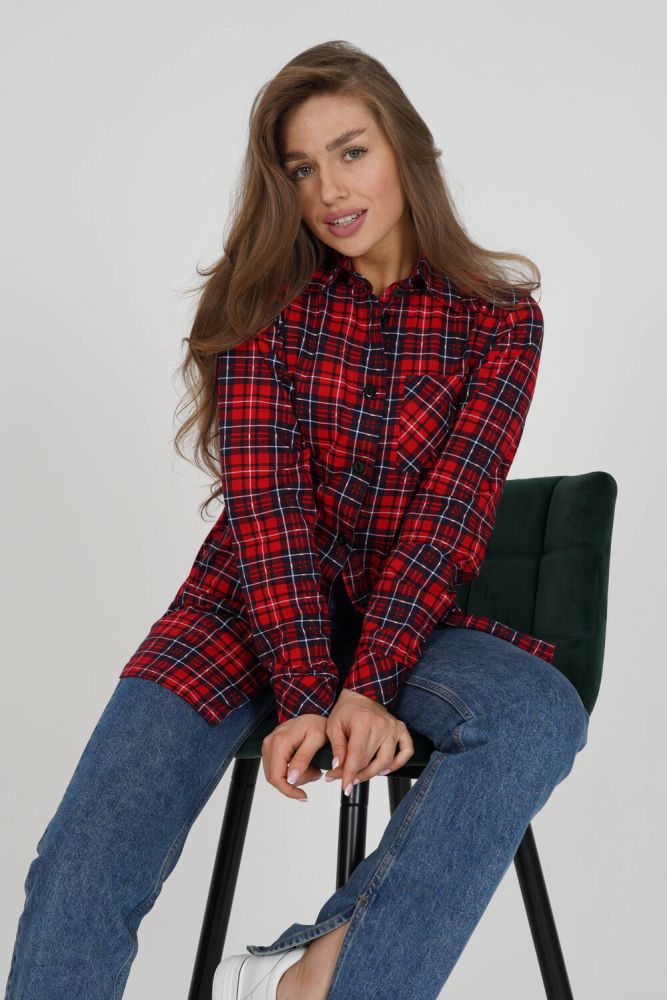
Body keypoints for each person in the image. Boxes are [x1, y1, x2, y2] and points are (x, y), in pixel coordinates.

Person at [4, 40, 589, 1000]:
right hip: (239, 611)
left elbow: (450, 515)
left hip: (410, 624)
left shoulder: (498, 319)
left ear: (405, 150)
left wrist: (369, 682)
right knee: (84, 857)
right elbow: (267, 512)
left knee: (534, 714)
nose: (330, 190)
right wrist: (313, 691)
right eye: (301, 168)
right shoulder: (262, 301)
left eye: (351, 152)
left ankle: (322, 972)